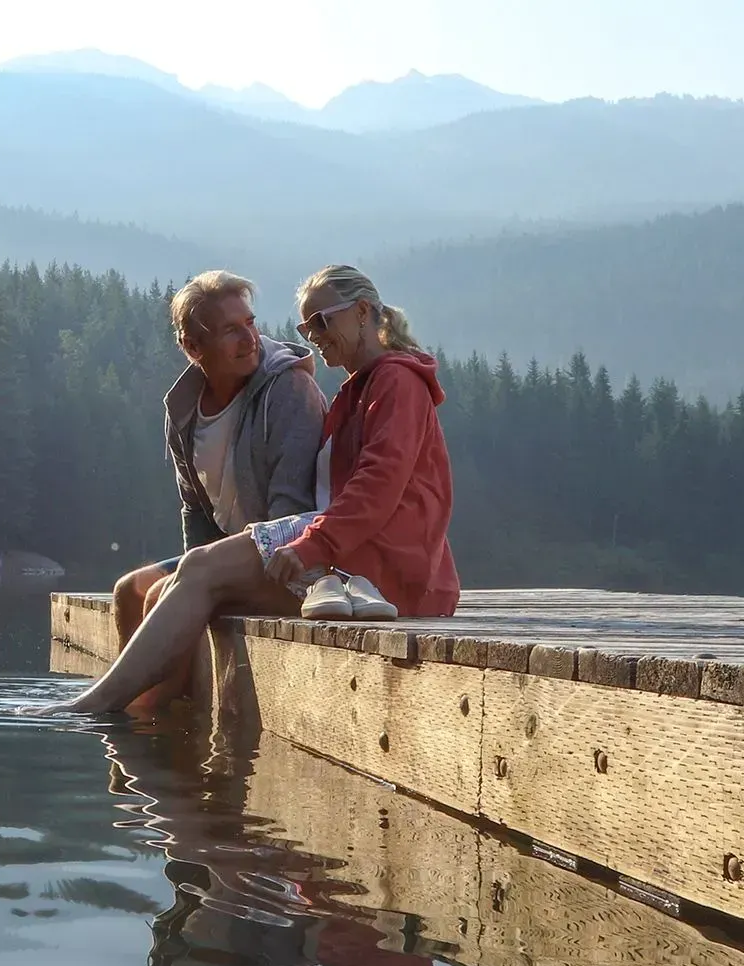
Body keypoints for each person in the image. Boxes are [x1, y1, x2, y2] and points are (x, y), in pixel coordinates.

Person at [34, 265, 460, 715]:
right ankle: (144, 725)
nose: (312, 335)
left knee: (198, 571)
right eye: (303, 325)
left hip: (389, 573)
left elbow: (378, 487)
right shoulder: (360, 390)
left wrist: (313, 546)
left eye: (321, 321)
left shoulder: (397, 383)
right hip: (355, 557)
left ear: (361, 312)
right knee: (171, 582)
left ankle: (98, 707)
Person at [110, 270, 327, 708]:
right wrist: (200, 568)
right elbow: (194, 507)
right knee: (129, 591)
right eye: (231, 330)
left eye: (249, 323)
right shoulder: (184, 408)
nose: (249, 338)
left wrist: (211, 579)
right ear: (193, 348)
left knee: (161, 593)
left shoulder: (288, 390)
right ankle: (149, 728)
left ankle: (147, 723)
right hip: (229, 553)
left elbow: (292, 512)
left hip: (291, 560)